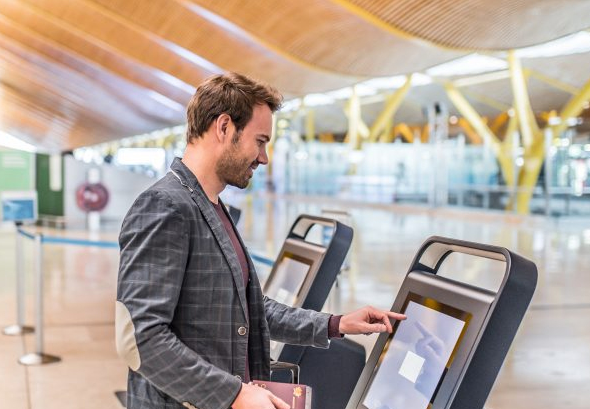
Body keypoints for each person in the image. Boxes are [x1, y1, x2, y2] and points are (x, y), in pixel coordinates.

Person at [115, 72, 405, 409]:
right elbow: (140, 338)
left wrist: (334, 324)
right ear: (224, 127)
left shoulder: (210, 206)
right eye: (260, 141)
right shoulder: (166, 206)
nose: (263, 157)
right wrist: (234, 394)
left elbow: (247, 309)